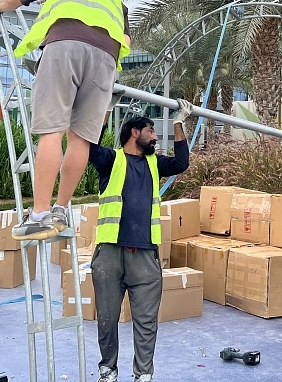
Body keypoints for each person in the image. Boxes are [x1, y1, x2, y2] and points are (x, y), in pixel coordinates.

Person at [0, 0, 131, 241]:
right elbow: (126, 39)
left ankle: (39, 216)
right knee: (81, 139)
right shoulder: (116, 0)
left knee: (51, 130)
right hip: (106, 60)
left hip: (64, 45)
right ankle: (61, 211)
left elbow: (12, 0)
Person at [89, 102, 192, 382]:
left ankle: (143, 374)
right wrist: (106, 108)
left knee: (146, 321)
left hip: (145, 255)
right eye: (151, 131)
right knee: (108, 318)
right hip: (110, 252)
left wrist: (178, 123)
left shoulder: (154, 163)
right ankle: (108, 370)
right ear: (135, 132)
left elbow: (182, 163)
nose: (155, 137)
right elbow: (89, 147)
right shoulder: (112, 160)